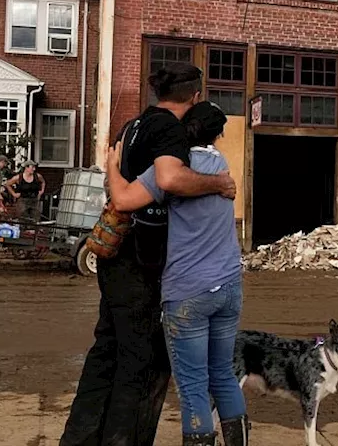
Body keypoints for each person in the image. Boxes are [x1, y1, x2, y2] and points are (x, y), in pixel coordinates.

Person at [60, 63, 237, 446]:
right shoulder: (169, 130)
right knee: (141, 366)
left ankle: (79, 439)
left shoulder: (134, 125)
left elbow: (122, 188)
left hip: (115, 260)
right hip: (143, 265)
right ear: (194, 97)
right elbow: (170, 178)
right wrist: (217, 184)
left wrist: (110, 169)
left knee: (105, 354)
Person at [106, 101, 247, 446]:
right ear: (218, 133)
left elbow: (123, 200)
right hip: (229, 286)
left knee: (193, 384)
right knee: (223, 375)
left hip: (188, 292)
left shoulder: (170, 171)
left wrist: (112, 167)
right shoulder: (221, 167)